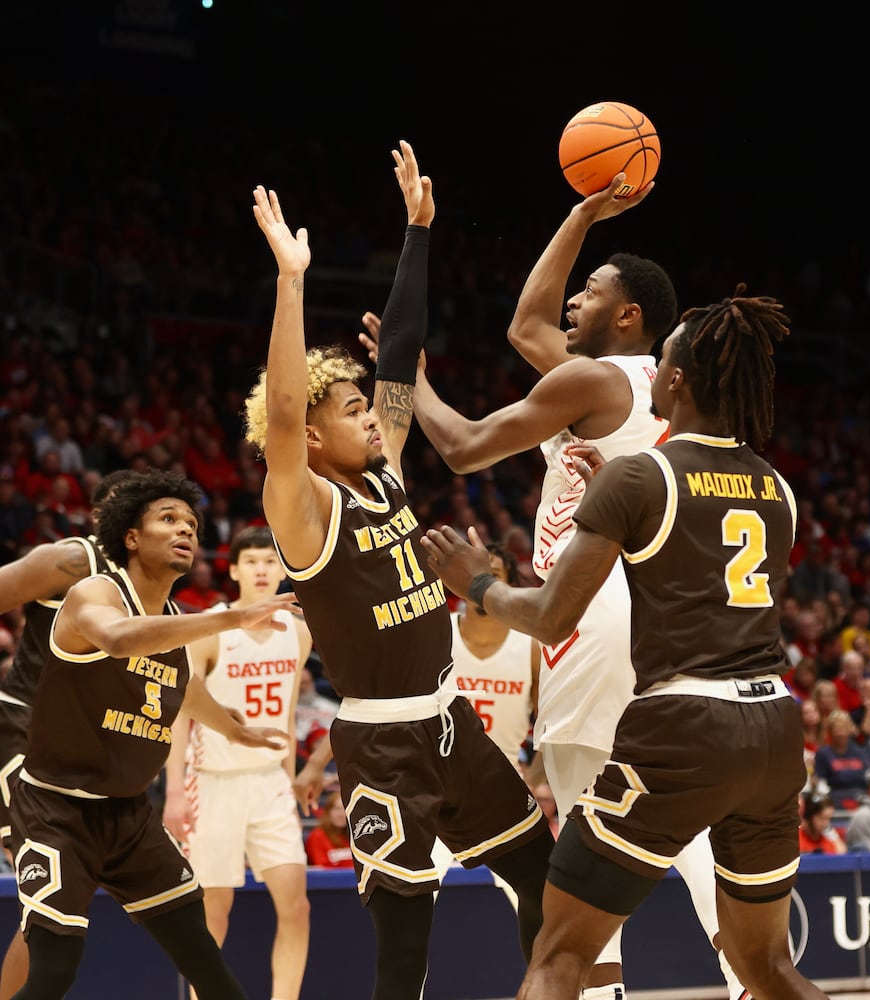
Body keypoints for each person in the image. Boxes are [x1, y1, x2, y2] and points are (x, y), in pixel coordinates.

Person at [359, 173, 746, 1000]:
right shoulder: (662, 390)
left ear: (631, 315)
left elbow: (462, 448)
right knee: (687, 823)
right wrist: (579, 215)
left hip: (599, 611)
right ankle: (755, 980)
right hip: (677, 621)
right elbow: (527, 326)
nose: (572, 303)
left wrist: (413, 381)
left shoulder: (597, 382)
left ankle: (598, 991)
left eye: (591, 292)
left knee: (584, 842)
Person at [419, 287, 826, 1000]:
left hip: (687, 725)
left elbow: (548, 617)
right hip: (773, 724)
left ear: (674, 380)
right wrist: (621, 497)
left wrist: (475, 584)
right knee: (769, 970)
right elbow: (700, 571)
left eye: (660, 361)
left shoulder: (640, 478)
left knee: (557, 954)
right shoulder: (775, 488)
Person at [244, 145, 551, 1000]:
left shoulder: (383, 474)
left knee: (544, 876)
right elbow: (279, 409)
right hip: (382, 744)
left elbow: (399, 361)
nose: (373, 419)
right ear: (309, 439)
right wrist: (291, 282)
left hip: (453, 721)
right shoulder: (303, 508)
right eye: (350, 413)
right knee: (403, 951)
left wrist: (417, 233)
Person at [9, 470, 294, 1000]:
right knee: (53, 971)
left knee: (210, 967)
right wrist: (231, 618)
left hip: (129, 817)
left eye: (191, 522)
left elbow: (187, 692)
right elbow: (118, 640)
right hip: (57, 811)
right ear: (132, 537)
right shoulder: (93, 591)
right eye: (168, 519)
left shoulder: (172, 622)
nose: (185, 528)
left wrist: (239, 731)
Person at [0, 469, 137, 997]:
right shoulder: (73, 560)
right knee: (49, 894)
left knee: (63, 898)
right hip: (23, 731)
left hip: (79, 749)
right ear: (104, 519)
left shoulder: (148, 586)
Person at [161, 525, 313, 1000]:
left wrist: (289, 783)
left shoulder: (300, 631)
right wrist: (172, 796)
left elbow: (287, 713)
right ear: (234, 571)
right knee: (214, 911)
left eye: (270, 561)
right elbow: (180, 715)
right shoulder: (211, 630)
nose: (263, 569)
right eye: (252, 561)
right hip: (212, 782)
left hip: (269, 782)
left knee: (297, 907)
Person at [447, 542, 540, 778]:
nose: (481, 585)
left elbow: (550, 727)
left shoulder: (530, 646)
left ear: (509, 588)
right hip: (441, 783)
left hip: (504, 784)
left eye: (493, 576)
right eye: (476, 575)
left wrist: (534, 779)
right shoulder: (439, 633)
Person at [304, 786, 354, 868]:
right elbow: (321, 867)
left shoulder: (355, 836)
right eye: (337, 809)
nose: (341, 814)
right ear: (328, 812)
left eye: (345, 809)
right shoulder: (317, 836)